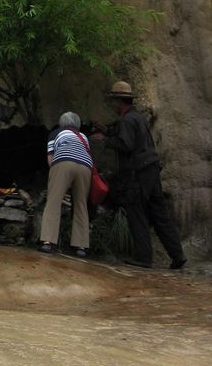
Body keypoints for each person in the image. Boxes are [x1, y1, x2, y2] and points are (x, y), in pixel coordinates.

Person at [92, 81, 187, 270]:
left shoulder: (127, 120)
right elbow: (129, 136)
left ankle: (143, 257)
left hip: (138, 173)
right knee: (160, 215)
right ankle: (178, 255)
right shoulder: (138, 117)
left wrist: (105, 140)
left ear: (119, 101)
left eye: (113, 101)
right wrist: (107, 130)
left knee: (136, 212)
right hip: (152, 171)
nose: (112, 105)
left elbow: (126, 144)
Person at [39, 111, 92, 257]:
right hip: (86, 166)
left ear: (61, 123)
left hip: (64, 160)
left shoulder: (56, 133)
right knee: (81, 204)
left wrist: (58, 179)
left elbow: (51, 159)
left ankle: (48, 242)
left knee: (54, 201)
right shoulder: (83, 137)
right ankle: (81, 246)